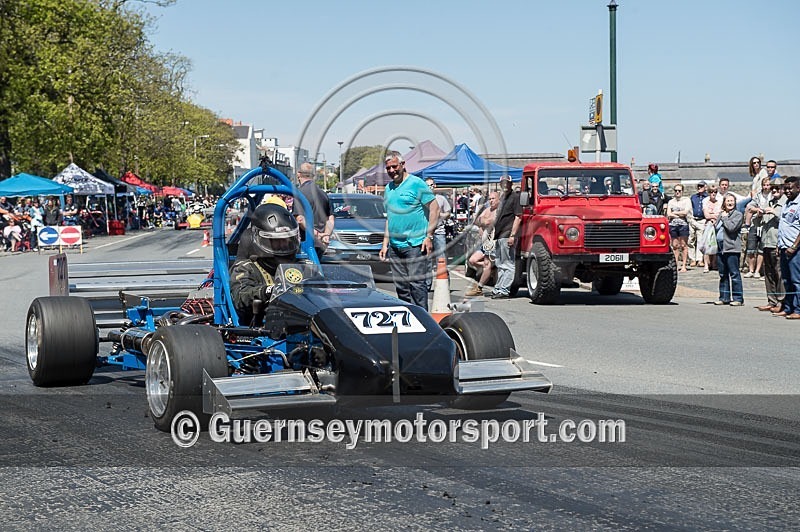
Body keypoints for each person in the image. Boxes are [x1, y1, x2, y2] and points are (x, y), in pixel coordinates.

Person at [379, 153, 439, 310]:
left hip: (415, 244)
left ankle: (423, 319)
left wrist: (429, 236)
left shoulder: (416, 184)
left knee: (417, 285)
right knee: (402, 287)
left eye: (394, 166)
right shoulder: (388, 189)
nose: (392, 170)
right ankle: (408, 317)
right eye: (388, 168)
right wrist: (385, 244)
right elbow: (389, 218)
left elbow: (434, 208)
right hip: (395, 246)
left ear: (403, 164)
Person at [229, 203, 301, 326]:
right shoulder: (246, 268)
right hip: (264, 328)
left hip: (304, 322)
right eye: (277, 242)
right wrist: (267, 291)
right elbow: (241, 296)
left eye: (287, 240)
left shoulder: (302, 266)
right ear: (260, 240)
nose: (283, 246)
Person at [755, 178, 786, 312]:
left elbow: (786, 222)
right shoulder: (770, 202)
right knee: (768, 273)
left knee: (779, 274)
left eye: (777, 188)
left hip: (777, 243)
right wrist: (759, 215)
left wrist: (773, 212)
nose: (774, 191)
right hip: (766, 242)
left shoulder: (785, 203)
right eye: (772, 188)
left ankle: (781, 301)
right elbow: (761, 224)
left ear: (783, 189)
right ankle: (771, 300)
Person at [292, 162, 333, 258]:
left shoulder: (300, 194)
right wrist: (325, 235)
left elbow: (300, 219)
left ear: (298, 174)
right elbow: (330, 219)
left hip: (306, 242)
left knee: (306, 271)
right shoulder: (323, 194)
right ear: (313, 175)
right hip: (321, 243)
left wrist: (316, 234)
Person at [491, 175, 522, 299]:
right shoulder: (503, 197)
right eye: (502, 183)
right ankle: (499, 288)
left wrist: (512, 235)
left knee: (508, 264)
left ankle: (504, 290)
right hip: (499, 235)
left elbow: (518, 217)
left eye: (507, 183)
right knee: (500, 263)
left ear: (511, 184)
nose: (505, 185)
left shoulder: (515, 197)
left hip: (507, 234)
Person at [775, 176, 800, 319]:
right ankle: (788, 307)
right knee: (786, 280)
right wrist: (779, 245)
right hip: (784, 247)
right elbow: (783, 226)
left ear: (798, 188)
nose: (788, 191)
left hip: (795, 249)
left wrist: (794, 246)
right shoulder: (786, 203)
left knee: (797, 280)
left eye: (791, 188)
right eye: (786, 188)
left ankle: (798, 309)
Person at [465, 191, 499, 297]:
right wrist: (482, 221)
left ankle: (479, 287)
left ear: (498, 200)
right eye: (490, 199)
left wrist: (483, 221)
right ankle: (491, 269)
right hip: (485, 242)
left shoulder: (499, 211)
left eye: (493, 199)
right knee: (472, 260)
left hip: (493, 242)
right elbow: (476, 220)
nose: (491, 201)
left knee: (487, 264)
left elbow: (489, 222)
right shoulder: (487, 210)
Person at [714, 193, 744, 306]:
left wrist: (725, 218)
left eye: (732, 201)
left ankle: (738, 298)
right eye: (728, 201)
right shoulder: (721, 214)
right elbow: (716, 228)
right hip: (720, 248)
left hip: (731, 248)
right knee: (723, 274)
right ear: (724, 203)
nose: (730, 203)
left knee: (734, 274)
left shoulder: (738, 215)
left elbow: (731, 228)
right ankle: (724, 297)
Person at [424, 178, 451, 291]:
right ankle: (427, 284)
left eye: (431, 185)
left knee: (441, 258)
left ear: (434, 186)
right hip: (426, 232)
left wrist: (441, 215)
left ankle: (444, 283)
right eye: (427, 185)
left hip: (439, 231)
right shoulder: (423, 200)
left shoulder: (441, 199)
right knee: (427, 259)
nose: (430, 187)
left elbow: (448, 213)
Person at [744, 177, 772, 278]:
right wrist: (757, 209)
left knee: (762, 248)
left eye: (768, 185)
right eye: (764, 185)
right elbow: (749, 206)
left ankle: (758, 270)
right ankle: (751, 270)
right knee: (751, 247)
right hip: (755, 223)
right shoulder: (758, 195)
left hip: (767, 223)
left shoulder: (772, 195)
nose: (766, 187)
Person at [667, 185, 692, 272]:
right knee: (675, 246)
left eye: (679, 190)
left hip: (683, 225)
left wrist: (675, 213)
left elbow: (685, 212)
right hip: (673, 225)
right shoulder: (671, 201)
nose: (677, 192)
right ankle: (676, 265)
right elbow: (669, 214)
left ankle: (684, 265)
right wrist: (678, 214)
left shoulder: (686, 200)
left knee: (683, 245)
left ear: (682, 191)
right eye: (676, 190)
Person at [701, 184, 722, 272]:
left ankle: (714, 263)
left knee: (715, 244)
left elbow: (719, 214)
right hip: (708, 225)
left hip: (716, 225)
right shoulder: (706, 202)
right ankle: (706, 264)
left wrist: (712, 216)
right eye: (711, 192)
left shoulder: (719, 202)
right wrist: (713, 216)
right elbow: (706, 215)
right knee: (707, 244)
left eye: (715, 192)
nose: (713, 193)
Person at [688, 181, 709, 267]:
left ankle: (699, 259)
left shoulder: (707, 197)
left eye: (701, 186)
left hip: (702, 220)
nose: (699, 188)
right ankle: (692, 259)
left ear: (705, 187)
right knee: (691, 240)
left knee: (700, 240)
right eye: (698, 186)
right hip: (693, 219)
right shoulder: (693, 197)